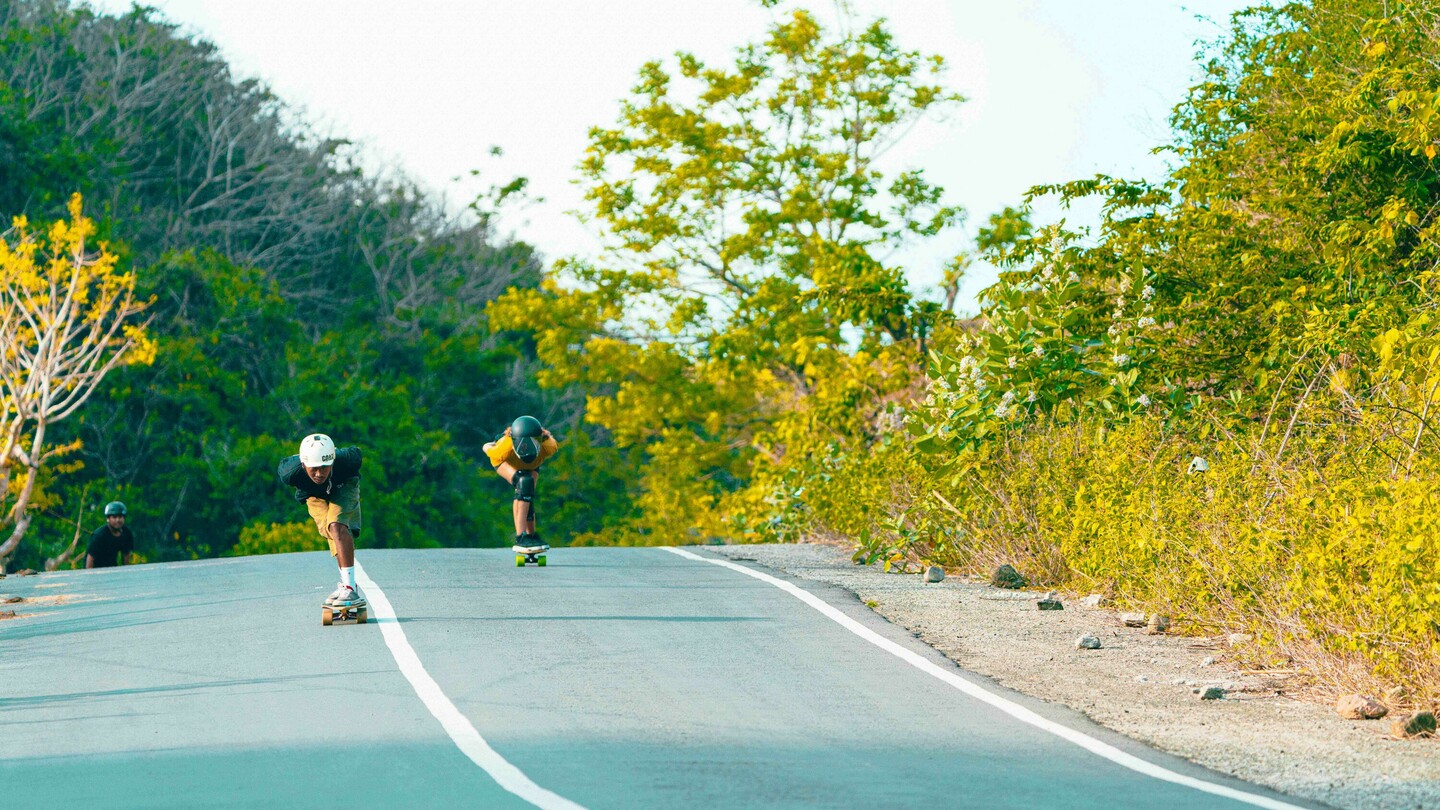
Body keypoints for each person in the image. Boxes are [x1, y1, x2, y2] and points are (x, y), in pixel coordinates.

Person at [276, 434, 365, 607]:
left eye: (324, 467)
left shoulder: (346, 460)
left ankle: (348, 588)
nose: (319, 473)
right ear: (303, 465)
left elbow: (357, 453)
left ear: (332, 461)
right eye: (313, 469)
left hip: (343, 486)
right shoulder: (289, 472)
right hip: (313, 495)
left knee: (337, 525)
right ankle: (348, 586)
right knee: (331, 531)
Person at [483, 415, 559, 553]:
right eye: (522, 444)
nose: (527, 449)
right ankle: (521, 537)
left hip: (533, 465)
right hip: (504, 462)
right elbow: (487, 448)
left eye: (533, 443)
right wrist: (489, 445)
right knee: (523, 483)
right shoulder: (503, 448)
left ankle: (531, 535)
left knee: (528, 496)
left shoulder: (548, 446)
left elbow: (550, 442)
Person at [85, 501, 134, 568]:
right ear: (108, 519)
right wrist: (90, 576)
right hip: (96, 570)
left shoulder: (126, 533)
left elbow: (126, 556)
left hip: (112, 568)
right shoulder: (99, 536)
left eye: (120, 517)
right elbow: (90, 559)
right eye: (114, 517)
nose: (117, 520)